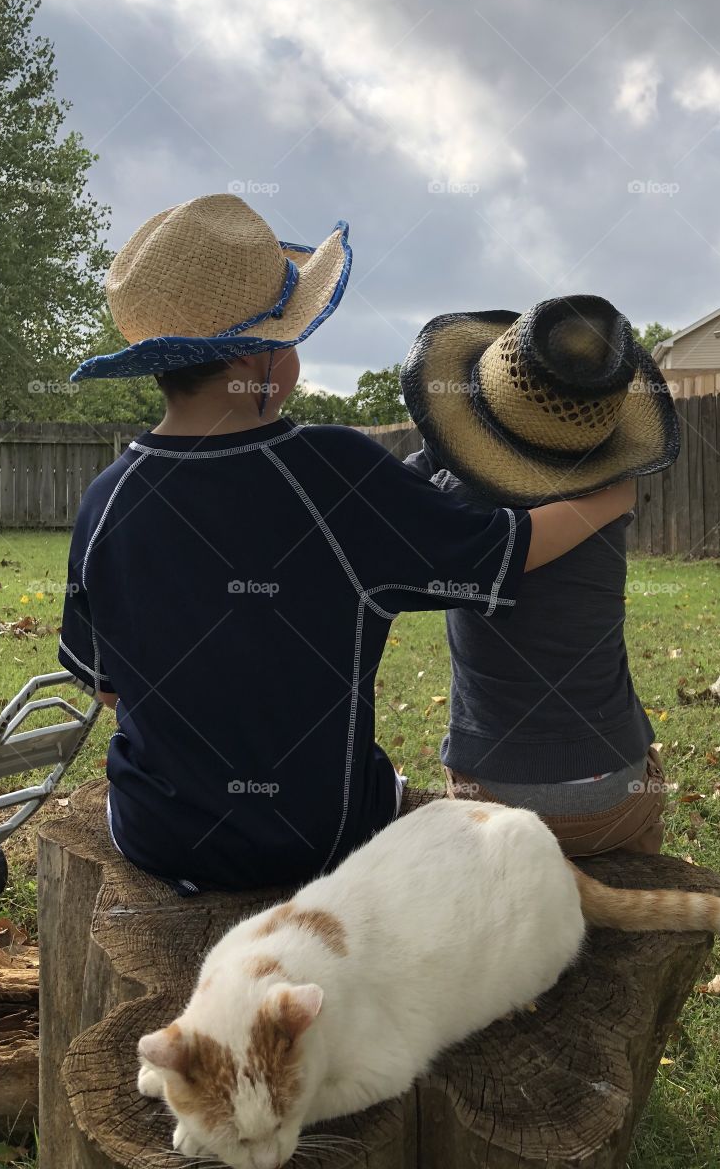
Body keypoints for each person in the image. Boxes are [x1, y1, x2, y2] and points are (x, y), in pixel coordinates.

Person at [58, 196, 634, 894]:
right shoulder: (335, 472)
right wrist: (610, 498)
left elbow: (110, 691)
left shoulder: (105, 500)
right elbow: (504, 549)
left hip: (155, 835)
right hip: (320, 837)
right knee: (383, 783)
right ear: (258, 357)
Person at [400, 294, 680, 856]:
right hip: (615, 796)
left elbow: (395, 496)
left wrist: (446, 436)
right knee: (646, 802)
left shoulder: (449, 511)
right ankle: (642, 857)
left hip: (495, 805)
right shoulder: (606, 495)